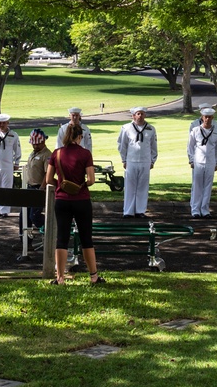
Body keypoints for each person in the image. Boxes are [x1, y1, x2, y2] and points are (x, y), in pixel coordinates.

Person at [45, 124, 104, 285]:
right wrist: (80, 185)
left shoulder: (56, 154)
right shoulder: (85, 154)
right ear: (80, 137)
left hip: (62, 200)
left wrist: (62, 184)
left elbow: (48, 179)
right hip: (81, 200)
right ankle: (93, 276)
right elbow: (91, 180)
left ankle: (60, 277)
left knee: (62, 238)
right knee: (86, 239)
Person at [116, 106, 158, 218]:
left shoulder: (151, 129)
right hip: (131, 160)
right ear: (133, 116)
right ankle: (128, 211)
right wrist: (124, 159)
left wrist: (153, 160)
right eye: (138, 114)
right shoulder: (126, 128)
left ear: (145, 115)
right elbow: (122, 145)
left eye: (142, 114)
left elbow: (153, 146)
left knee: (143, 187)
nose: (140, 116)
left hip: (145, 160)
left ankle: (140, 211)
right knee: (130, 186)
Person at [187, 107, 217, 218]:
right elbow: (190, 146)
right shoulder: (196, 130)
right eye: (205, 117)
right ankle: (195, 210)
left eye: (210, 117)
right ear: (202, 117)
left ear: (213, 118)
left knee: (208, 186)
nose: (207, 119)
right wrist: (191, 160)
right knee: (197, 186)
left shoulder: (216, 131)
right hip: (198, 161)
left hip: (210, 161)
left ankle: (205, 209)